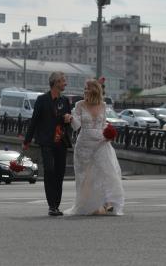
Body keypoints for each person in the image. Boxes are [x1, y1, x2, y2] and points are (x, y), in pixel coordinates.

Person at [64, 79, 124, 216]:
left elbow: (103, 124)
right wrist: (72, 118)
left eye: (87, 88)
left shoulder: (103, 105)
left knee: (108, 172)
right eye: (84, 88)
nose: (84, 90)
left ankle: (109, 202)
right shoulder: (79, 105)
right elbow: (77, 125)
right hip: (84, 145)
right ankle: (88, 205)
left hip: (101, 143)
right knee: (85, 176)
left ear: (94, 90)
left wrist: (108, 134)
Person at [23, 72, 72, 217]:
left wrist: (67, 119)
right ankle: (52, 206)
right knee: (49, 171)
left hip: (61, 143)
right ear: (55, 82)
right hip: (46, 142)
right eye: (63, 81)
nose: (65, 84)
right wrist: (27, 141)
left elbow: (68, 121)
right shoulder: (42, 100)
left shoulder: (65, 101)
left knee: (59, 174)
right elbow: (34, 121)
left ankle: (56, 205)